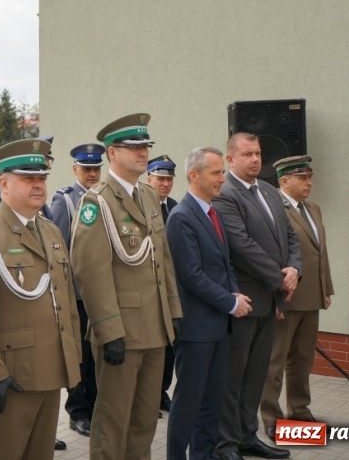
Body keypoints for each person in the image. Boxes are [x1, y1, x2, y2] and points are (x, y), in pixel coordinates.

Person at [0, 138, 81, 460]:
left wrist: (72, 360)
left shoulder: (50, 232)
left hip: (49, 369)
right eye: (28, 179)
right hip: (9, 374)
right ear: (4, 184)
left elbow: (64, 300)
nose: (38, 186)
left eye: (41, 178)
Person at [70, 113, 182, 460]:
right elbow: (90, 272)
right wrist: (107, 329)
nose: (143, 152)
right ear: (112, 153)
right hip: (121, 331)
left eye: (145, 146)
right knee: (113, 419)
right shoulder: (97, 202)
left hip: (155, 329)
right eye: (133, 147)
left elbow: (162, 261)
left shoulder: (149, 197)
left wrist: (174, 312)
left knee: (145, 418)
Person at [212, 133, 301, 460]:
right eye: (247, 154)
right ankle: (225, 444)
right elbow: (241, 245)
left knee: (256, 376)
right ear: (230, 159)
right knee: (233, 377)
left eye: (258, 153)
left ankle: (247, 436)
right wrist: (279, 279)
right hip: (245, 301)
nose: (255, 159)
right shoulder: (226, 194)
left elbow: (290, 237)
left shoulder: (268, 190)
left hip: (270, 300)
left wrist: (294, 269)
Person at [165, 147, 253, 460]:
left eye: (221, 172)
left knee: (212, 404)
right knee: (188, 403)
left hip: (219, 327)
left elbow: (225, 263)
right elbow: (191, 275)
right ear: (194, 175)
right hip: (196, 329)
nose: (222, 178)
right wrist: (229, 302)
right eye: (216, 172)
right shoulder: (181, 218)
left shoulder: (212, 212)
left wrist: (235, 293)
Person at [260, 155, 334, 440]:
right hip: (286, 298)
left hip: (311, 297)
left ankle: (300, 411)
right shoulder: (274, 209)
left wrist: (326, 287)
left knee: (302, 361)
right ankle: (271, 415)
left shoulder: (312, 208)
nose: (309, 183)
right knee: (275, 362)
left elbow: (320, 252)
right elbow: (270, 255)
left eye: (309, 177)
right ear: (284, 181)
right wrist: (275, 297)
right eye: (302, 178)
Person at [49, 142, 106, 437]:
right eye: (87, 169)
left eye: (97, 168)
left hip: (103, 294)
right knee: (81, 355)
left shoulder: (105, 198)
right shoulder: (66, 201)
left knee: (99, 354)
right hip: (78, 294)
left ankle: (96, 406)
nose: (93, 174)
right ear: (75, 170)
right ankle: (78, 411)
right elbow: (59, 250)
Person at [145, 153, 178, 413]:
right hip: (151, 289)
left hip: (173, 288)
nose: (165, 184)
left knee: (171, 344)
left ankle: (162, 391)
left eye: (168, 179)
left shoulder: (176, 207)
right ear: (149, 179)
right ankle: (149, 395)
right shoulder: (143, 207)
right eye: (160, 179)